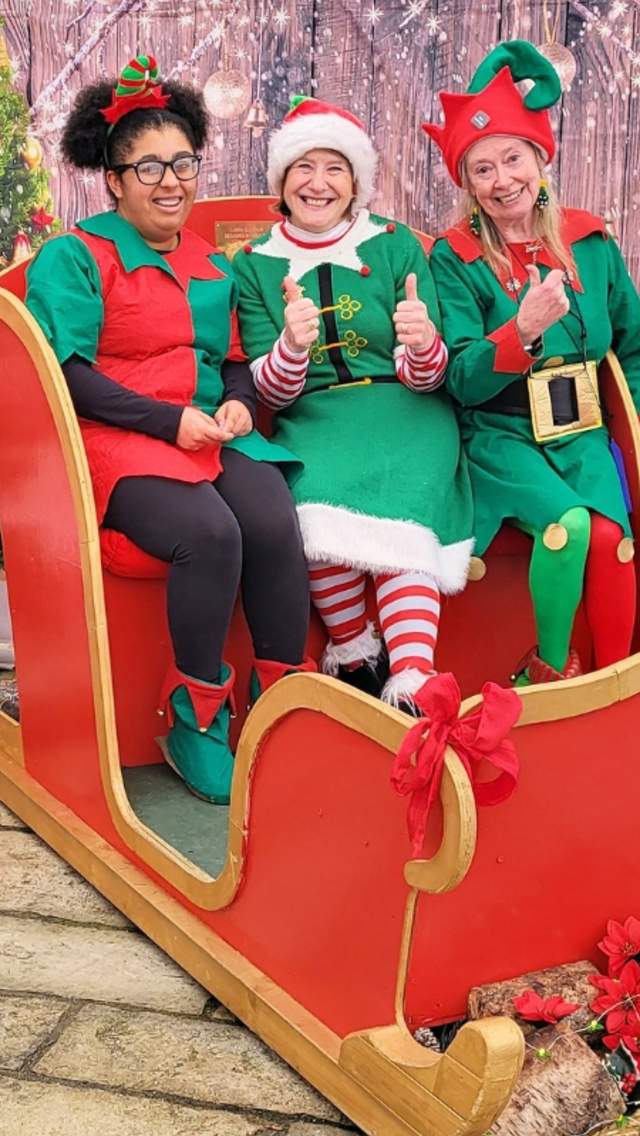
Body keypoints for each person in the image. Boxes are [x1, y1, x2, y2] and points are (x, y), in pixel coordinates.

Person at [26, 55, 312, 803]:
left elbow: (235, 362)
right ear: (113, 180)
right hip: (116, 437)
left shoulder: (212, 263)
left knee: (273, 518)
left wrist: (240, 402)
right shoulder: (75, 256)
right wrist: (166, 421)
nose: (170, 182)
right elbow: (69, 375)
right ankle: (196, 716)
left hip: (207, 431)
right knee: (210, 533)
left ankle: (282, 713)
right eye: (147, 167)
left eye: (183, 163)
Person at [234, 96, 473, 712]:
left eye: (334, 168)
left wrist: (421, 343)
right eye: (304, 167)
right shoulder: (253, 264)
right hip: (314, 419)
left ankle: (412, 678)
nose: (318, 183)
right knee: (311, 508)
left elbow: (429, 376)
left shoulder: (393, 246)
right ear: (282, 180)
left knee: (402, 516)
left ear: (356, 182)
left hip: (406, 414)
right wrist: (291, 346)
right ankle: (357, 654)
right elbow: (270, 393)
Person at [424, 40, 640, 684]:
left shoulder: (590, 243)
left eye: (512, 159)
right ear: (468, 185)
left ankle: (614, 690)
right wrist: (521, 332)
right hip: (501, 432)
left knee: (615, 544)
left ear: (539, 159)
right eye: (482, 169)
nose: (502, 180)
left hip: (582, 429)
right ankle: (547, 674)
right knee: (567, 529)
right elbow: (460, 379)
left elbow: (632, 347)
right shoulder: (454, 257)